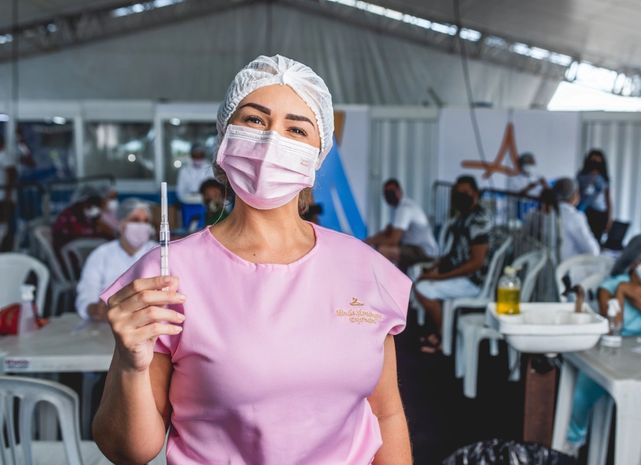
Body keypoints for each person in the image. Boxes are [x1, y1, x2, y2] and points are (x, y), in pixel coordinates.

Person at [93, 55, 412, 465]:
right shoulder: (168, 274)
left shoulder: (365, 270)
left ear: (317, 156)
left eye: (296, 128)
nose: (272, 140)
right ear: (225, 137)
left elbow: (385, 414)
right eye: (255, 120)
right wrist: (129, 365)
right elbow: (130, 452)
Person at [564, 235, 641, 465]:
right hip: (614, 352)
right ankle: (573, 440)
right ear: (634, 261)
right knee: (583, 390)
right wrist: (622, 292)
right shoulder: (611, 286)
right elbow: (615, 326)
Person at [414, 175, 491, 353]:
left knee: (422, 289)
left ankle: (444, 338)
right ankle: (441, 332)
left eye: (465, 192)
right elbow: (454, 253)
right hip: (460, 274)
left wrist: (439, 277)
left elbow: (475, 263)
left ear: (476, 194)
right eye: (457, 193)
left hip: (474, 281)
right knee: (421, 281)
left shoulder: (479, 221)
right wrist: (434, 268)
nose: (460, 196)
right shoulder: (463, 217)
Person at [75, 199, 156, 321]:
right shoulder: (102, 254)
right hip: (106, 322)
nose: (142, 226)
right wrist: (95, 309)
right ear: (121, 224)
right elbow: (87, 293)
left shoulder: (159, 253)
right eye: (135, 220)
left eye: (146, 221)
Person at [365, 179, 438, 271]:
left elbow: (393, 240)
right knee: (382, 248)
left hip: (425, 250)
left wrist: (370, 243)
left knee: (383, 250)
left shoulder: (404, 208)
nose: (389, 195)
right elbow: (386, 233)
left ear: (399, 191)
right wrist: (368, 241)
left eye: (391, 192)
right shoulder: (396, 209)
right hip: (412, 248)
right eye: (387, 193)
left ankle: (387, 280)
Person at [51, 184, 116, 255]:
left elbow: (103, 235)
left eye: (95, 204)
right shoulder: (67, 217)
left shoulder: (91, 217)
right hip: (70, 255)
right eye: (90, 203)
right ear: (81, 202)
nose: (93, 207)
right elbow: (63, 239)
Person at [554, 177, 600, 262]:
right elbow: (593, 251)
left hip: (548, 267)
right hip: (569, 267)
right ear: (574, 194)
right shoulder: (574, 217)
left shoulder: (547, 213)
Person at [577, 149, 612, 244]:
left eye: (598, 162)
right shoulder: (581, 175)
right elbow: (578, 192)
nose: (595, 164)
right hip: (585, 210)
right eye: (593, 161)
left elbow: (608, 198)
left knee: (596, 240)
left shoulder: (604, 177)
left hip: (600, 213)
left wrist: (609, 218)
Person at [0, 135, 17, 251]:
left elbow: (11, 174)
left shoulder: (4, 155)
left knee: (3, 227)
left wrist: (7, 197)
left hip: (3, 199)